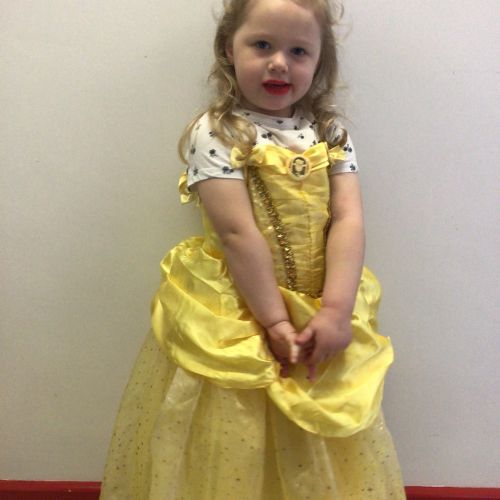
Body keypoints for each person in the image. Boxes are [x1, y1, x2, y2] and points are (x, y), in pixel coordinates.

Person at [100, 0, 405, 498]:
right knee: (234, 435)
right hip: (242, 309)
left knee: (315, 433)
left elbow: (349, 220)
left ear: (320, 62)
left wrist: (336, 310)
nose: (279, 63)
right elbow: (237, 233)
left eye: (299, 51)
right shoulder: (219, 132)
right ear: (229, 48)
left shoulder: (331, 134)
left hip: (322, 305)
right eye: (262, 45)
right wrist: (275, 322)